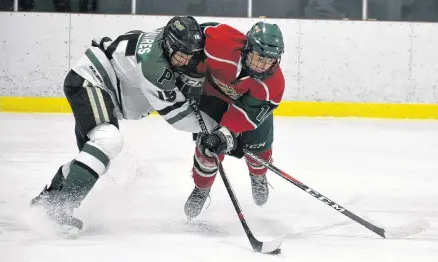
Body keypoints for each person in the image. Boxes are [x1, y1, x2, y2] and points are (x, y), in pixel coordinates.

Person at [30, 16, 218, 230]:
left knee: (97, 158)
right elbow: (178, 116)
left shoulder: (172, 40)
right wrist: (218, 129)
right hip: (90, 81)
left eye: (190, 55)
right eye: (181, 55)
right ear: (168, 45)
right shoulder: (152, 66)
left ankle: (49, 199)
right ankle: (62, 208)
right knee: (108, 140)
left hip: (102, 88)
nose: (185, 61)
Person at [184, 21, 285, 218]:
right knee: (207, 147)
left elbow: (247, 116)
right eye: (259, 58)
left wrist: (226, 135)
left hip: (248, 109)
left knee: (259, 148)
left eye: (269, 61)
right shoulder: (221, 42)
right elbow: (191, 37)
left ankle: (258, 175)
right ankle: (202, 188)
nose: (263, 66)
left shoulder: (273, 84)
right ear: (247, 48)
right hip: (213, 98)